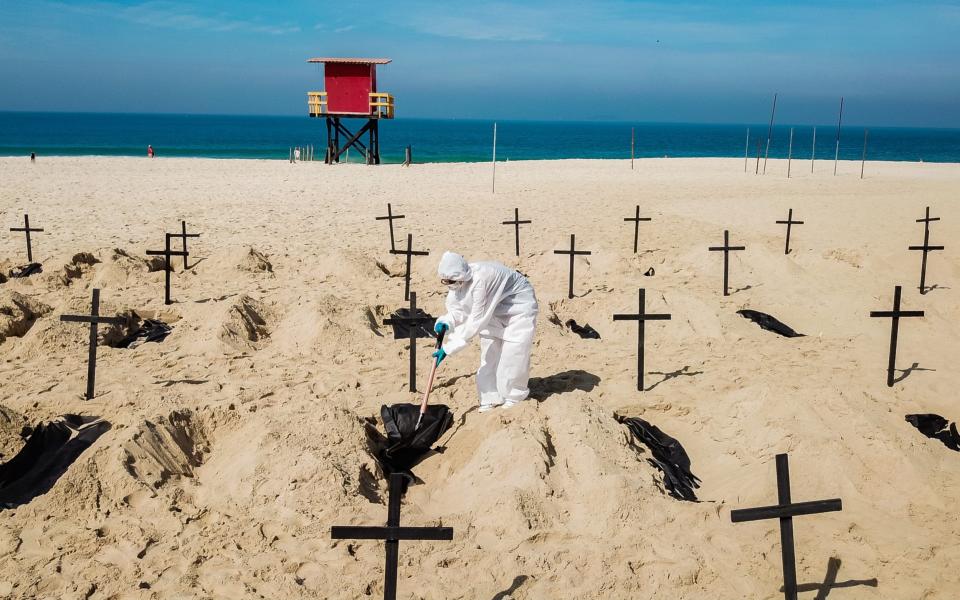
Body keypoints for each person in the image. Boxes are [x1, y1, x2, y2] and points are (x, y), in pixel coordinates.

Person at [432, 252, 538, 411]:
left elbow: (476, 320)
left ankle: (513, 397)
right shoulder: (457, 281)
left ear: (462, 277)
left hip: (518, 306)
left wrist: (448, 348)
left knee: (513, 353)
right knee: (489, 355)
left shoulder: (481, 280)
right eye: (445, 281)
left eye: (452, 281)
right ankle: (490, 397)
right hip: (494, 308)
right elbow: (458, 308)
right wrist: (447, 321)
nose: (449, 284)